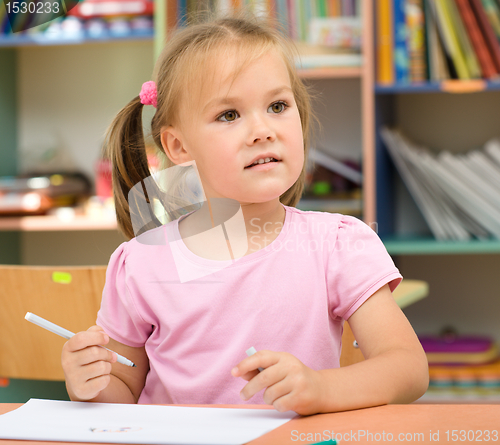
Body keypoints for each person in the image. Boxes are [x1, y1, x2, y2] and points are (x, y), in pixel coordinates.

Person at [61, 9, 429, 416]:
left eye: (277, 105)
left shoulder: (339, 244)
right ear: (179, 147)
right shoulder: (142, 262)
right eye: (229, 115)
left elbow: (408, 369)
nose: (263, 130)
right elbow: (123, 390)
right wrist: (90, 384)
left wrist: (321, 387)